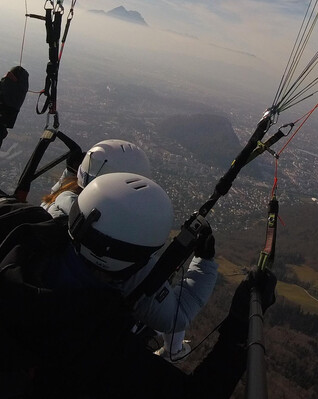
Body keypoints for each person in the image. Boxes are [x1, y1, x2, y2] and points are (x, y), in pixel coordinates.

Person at [0, 67, 275, 399]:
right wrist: (240, 322)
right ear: (136, 261)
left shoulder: (19, 226)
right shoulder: (98, 344)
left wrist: (1, 116)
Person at [40, 138, 216, 362]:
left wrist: (69, 174)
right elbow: (176, 316)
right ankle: (174, 351)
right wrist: (205, 261)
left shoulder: (56, 207)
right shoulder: (124, 262)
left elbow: (64, 195)